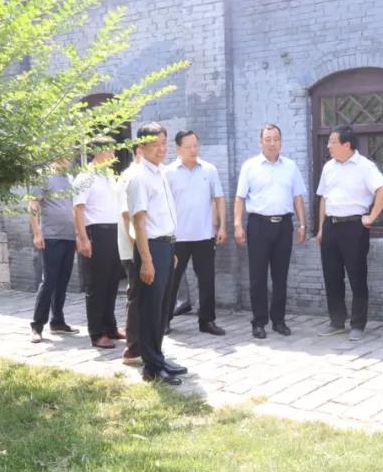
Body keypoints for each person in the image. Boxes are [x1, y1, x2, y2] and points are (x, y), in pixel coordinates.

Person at [315, 125, 383, 342]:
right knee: (331, 276)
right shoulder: (328, 167)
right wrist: (321, 228)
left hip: (354, 227)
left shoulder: (365, 166)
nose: (328, 146)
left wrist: (372, 217)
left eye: (332, 142)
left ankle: (358, 324)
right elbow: (324, 198)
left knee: (357, 276)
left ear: (346, 145)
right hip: (331, 226)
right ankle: (337, 321)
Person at [127, 122, 187, 385]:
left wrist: (170, 247)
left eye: (164, 143)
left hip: (166, 246)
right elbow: (139, 223)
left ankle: (158, 357)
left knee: (162, 308)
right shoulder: (139, 178)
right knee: (150, 309)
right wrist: (147, 260)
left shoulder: (160, 172)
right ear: (141, 147)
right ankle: (151, 367)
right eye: (155, 144)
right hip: (150, 247)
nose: (161, 149)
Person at [234, 124, 307, 339]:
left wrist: (302, 224)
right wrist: (237, 224)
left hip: (284, 225)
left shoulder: (290, 166)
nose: (272, 143)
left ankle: (279, 320)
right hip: (258, 225)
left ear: (281, 141)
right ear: (261, 142)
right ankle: (259, 322)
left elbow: (298, 197)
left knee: (280, 276)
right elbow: (240, 198)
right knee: (257, 276)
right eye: (268, 139)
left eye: (276, 139)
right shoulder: (250, 166)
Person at [164, 130, 227, 336]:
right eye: (188, 147)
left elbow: (219, 198)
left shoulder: (209, 169)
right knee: (171, 281)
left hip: (204, 235)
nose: (193, 150)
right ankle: (164, 320)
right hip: (177, 237)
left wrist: (222, 226)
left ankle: (207, 320)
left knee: (207, 280)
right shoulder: (168, 172)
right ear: (178, 148)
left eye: (195, 146)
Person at [73, 138, 125, 350]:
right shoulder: (85, 176)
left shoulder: (109, 175)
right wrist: (83, 238)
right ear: (97, 152)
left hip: (114, 232)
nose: (113, 155)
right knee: (97, 284)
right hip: (96, 232)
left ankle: (110, 326)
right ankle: (97, 332)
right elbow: (78, 209)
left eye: (113, 150)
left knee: (112, 281)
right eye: (109, 151)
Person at [28, 160, 79, 343]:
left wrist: (78, 235)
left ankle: (57, 322)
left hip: (69, 237)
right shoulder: (43, 176)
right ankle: (36, 326)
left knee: (63, 281)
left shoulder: (70, 178)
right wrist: (37, 233)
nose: (68, 158)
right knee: (49, 281)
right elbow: (32, 205)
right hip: (51, 237)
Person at [116, 145, 143, 366]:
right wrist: (137, 244)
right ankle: (133, 350)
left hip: (144, 247)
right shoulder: (132, 176)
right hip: (134, 248)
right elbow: (127, 215)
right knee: (136, 297)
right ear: (140, 150)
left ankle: (143, 346)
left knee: (141, 297)